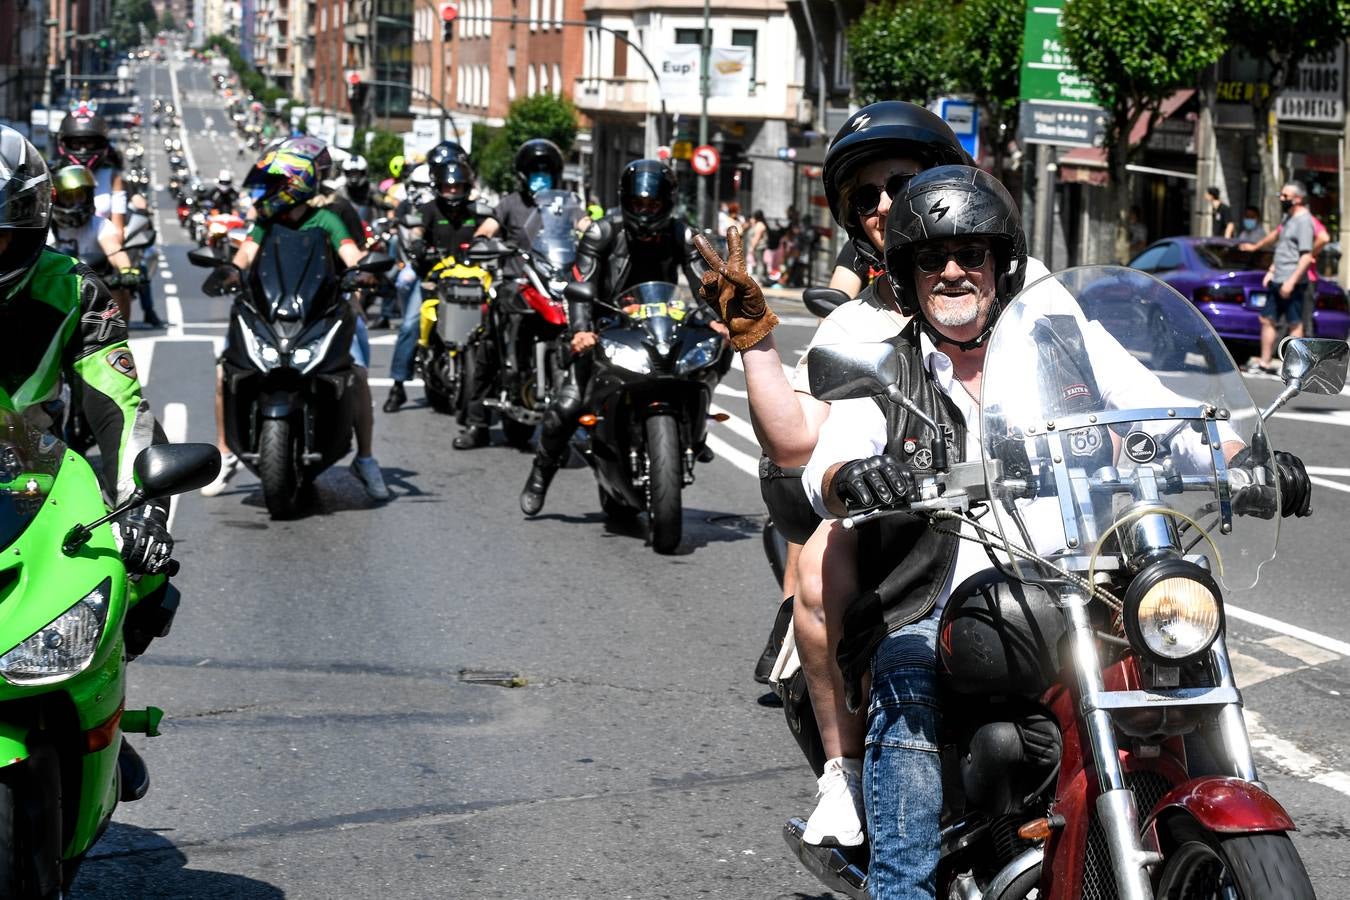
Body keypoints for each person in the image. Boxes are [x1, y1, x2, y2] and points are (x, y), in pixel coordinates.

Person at [799, 164, 1313, 898]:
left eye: (970, 254)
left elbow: (1161, 415)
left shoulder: (1064, 343)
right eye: (932, 258)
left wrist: (1244, 460)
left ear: (999, 265)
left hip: (1078, 578)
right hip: (940, 600)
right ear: (907, 273)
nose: (952, 271)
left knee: (1178, 653)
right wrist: (855, 476)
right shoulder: (894, 367)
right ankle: (903, 888)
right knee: (907, 682)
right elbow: (832, 456)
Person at [0, 127, 174, 797]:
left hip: (34, 480)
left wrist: (145, 508)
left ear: (30, 225)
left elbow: (122, 409)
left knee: (143, 572)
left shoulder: (77, 292)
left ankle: (99, 710)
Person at [518, 159, 717, 514]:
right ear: (626, 201)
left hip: (660, 322)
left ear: (667, 203)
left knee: (714, 349)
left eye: (653, 205)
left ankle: (696, 430)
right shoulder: (602, 232)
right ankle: (540, 475)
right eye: (638, 204)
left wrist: (718, 318)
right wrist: (581, 331)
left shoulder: (682, 234)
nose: (645, 212)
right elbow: (582, 286)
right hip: (608, 326)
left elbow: (706, 283)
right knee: (568, 405)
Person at [198, 149, 390, 501]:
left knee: (358, 374)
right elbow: (245, 256)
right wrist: (228, 271)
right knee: (226, 372)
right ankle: (226, 453)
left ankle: (365, 459)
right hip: (270, 313)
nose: (266, 192)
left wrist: (365, 272)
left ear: (294, 185)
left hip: (324, 312)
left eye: (273, 184)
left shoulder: (327, 220)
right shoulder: (266, 222)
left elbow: (350, 255)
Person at [462, 138, 568, 450]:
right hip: (515, 285)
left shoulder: (564, 203)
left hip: (552, 286)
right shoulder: (509, 204)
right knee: (489, 346)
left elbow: (587, 226)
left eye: (546, 171)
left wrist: (597, 231)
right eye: (534, 171)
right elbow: (489, 227)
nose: (540, 176)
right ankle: (477, 424)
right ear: (522, 174)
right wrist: (483, 240)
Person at [383, 157, 492, 412]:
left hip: (471, 283)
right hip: (433, 282)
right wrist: (418, 243)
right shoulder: (430, 210)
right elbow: (417, 228)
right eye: (447, 187)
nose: (452, 191)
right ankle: (397, 387)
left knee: (495, 324)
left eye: (457, 187)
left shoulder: (476, 211)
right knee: (410, 325)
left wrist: (486, 239)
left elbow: (491, 224)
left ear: (467, 187)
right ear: (438, 187)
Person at [1242, 181, 1317, 374]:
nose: (1282, 199)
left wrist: (1291, 282)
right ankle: (1264, 363)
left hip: (1291, 282)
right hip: (1278, 279)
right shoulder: (1288, 219)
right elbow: (1282, 248)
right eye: (1281, 195)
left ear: (1298, 199)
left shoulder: (1304, 222)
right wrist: (1272, 271)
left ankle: (1295, 368)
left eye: (1285, 196)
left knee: (1295, 324)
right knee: (1266, 319)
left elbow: (1306, 256)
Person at [46, 165, 139, 306]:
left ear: (88, 196)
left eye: (79, 196)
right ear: (58, 199)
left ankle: (118, 328)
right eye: (68, 197)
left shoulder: (99, 224)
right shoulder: (46, 227)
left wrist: (127, 271)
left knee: (119, 290)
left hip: (93, 292)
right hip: (53, 292)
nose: (75, 204)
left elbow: (114, 250)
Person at [54, 113, 127, 239]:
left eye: (89, 144)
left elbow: (118, 231)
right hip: (60, 247)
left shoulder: (112, 177)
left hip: (101, 249)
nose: (83, 150)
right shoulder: (54, 174)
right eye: (76, 144)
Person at [745, 210, 768, 280]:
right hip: (758, 247)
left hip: (759, 247)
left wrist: (752, 247)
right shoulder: (758, 224)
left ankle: (760, 279)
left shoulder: (760, 225)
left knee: (759, 263)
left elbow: (756, 238)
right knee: (759, 263)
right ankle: (760, 278)